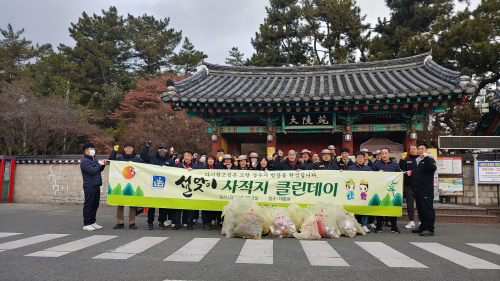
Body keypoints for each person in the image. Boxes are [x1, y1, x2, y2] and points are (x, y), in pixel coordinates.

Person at [140, 141, 175, 230]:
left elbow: (174, 172)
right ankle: (150, 222)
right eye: (160, 149)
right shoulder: (152, 157)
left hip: (164, 186)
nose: (162, 150)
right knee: (151, 206)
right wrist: (147, 146)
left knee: (162, 206)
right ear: (158, 150)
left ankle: (161, 222)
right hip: (152, 185)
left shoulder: (170, 161)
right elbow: (143, 156)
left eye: (163, 149)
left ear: (167, 150)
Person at [109, 142, 142, 230]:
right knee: (120, 205)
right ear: (124, 149)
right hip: (121, 183)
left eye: (130, 148)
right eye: (127, 148)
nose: (128, 149)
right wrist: (114, 151)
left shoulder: (137, 159)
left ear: (133, 149)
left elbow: (142, 170)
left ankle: (132, 223)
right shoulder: (120, 158)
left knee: (132, 205)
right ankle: (120, 222)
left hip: (133, 184)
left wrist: (138, 171)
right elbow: (111, 161)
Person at [372, 148, 401, 234]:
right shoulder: (376, 165)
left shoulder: (395, 165)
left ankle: (394, 226)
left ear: (389, 154)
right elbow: (372, 176)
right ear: (380, 155)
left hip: (392, 190)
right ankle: (379, 226)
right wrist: (377, 173)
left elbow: (399, 176)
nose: (384, 155)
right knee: (380, 207)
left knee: (393, 207)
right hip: (380, 189)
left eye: (386, 153)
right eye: (382, 153)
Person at [411, 142, 437, 236]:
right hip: (417, 189)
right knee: (420, 209)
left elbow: (432, 168)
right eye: (419, 149)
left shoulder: (429, 160)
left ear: (426, 150)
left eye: (422, 149)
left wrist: (426, 158)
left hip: (426, 189)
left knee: (427, 209)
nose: (420, 151)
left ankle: (430, 228)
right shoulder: (416, 160)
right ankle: (423, 226)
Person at [80, 142, 106, 231]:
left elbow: (98, 170)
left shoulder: (94, 159)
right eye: (90, 149)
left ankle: (92, 221)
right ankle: (86, 223)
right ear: (86, 151)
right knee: (89, 205)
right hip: (89, 186)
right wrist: (99, 164)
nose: (92, 150)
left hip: (96, 185)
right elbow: (92, 171)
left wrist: (102, 165)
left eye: (93, 149)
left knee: (95, 204)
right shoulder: (84, 161)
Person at [173, 150, 199, 230]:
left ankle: (190, 224)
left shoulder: (196, 166)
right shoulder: (179, 166)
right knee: (178, 207)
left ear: (192, 157)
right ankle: (177, 224)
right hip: (180, 188)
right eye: (185, 156)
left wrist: (193, 171)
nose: (186, 157)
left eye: (188, 156)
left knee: (190, 207)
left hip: (191, 189)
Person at [348, 151, 372, 233]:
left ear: (364, 158)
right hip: (354, 191)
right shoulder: (351, 168)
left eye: (362, 157)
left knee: (364, 207)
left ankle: (364, 225)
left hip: (363, 191)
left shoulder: (368, 169)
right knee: (353, 207)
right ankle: (354, 224)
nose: (360, 159)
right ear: (355, 159)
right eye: (358, 157)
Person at [399, 144, 419, 229]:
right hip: (409, 185)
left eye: (414, 149)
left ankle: (421, 221)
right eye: (411, 149)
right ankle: (411, 221)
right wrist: (402, 160)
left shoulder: (420, 160)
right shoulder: (406, 160)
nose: (413, 150)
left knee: (420, 204)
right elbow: (400, 168)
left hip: (419, 185)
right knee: (409, 204)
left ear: (417, 150)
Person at [201, 155, 217, 230]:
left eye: (212, 159)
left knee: (212, 206)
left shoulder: (217, 168)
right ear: (207, 160)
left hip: (214, 190)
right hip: (205, 189)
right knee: (205, 207)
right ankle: (205, 222)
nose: (210, 161)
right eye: (209, 159)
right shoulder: (203, 168)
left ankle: (209, 221)